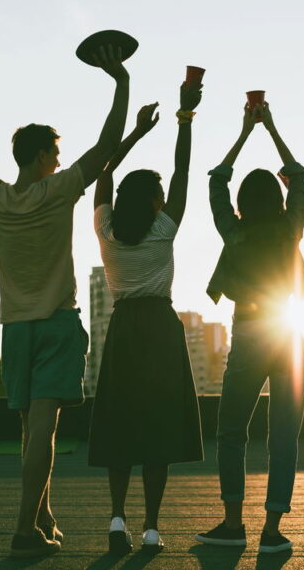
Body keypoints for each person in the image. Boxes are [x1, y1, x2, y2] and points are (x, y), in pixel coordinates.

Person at [0, 46, 130, 558]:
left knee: (32, 434)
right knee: (43, 434)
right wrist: (120, 82)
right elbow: (108, 144)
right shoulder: (60, 190)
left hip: (15, 329)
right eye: (54, 152)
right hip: (54, 324)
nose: (60, 159)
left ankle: (44, 516)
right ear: (41, 156)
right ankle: (25, 531)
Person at [87, 81, 204, 555]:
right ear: (156, 201)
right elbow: (183, 170)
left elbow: (105, 173)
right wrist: (184, 116)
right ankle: (152, 527)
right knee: (157, 426)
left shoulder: (107, 230)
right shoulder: (164, 228)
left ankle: (118, 519)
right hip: (160, 327)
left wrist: (134, 133)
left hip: (123, 329)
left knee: (120, 425)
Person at [194, 101, 304, 554]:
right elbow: (299, 176)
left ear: (243, 203)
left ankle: (232, 523)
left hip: (249, 333)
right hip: (287, 334)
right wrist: (271, 126)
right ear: (279, 200)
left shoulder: (234, 231)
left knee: (230, 432)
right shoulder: (290, 229)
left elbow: (216, 180)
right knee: (283, 436)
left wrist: (244, 132)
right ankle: (272, 531)